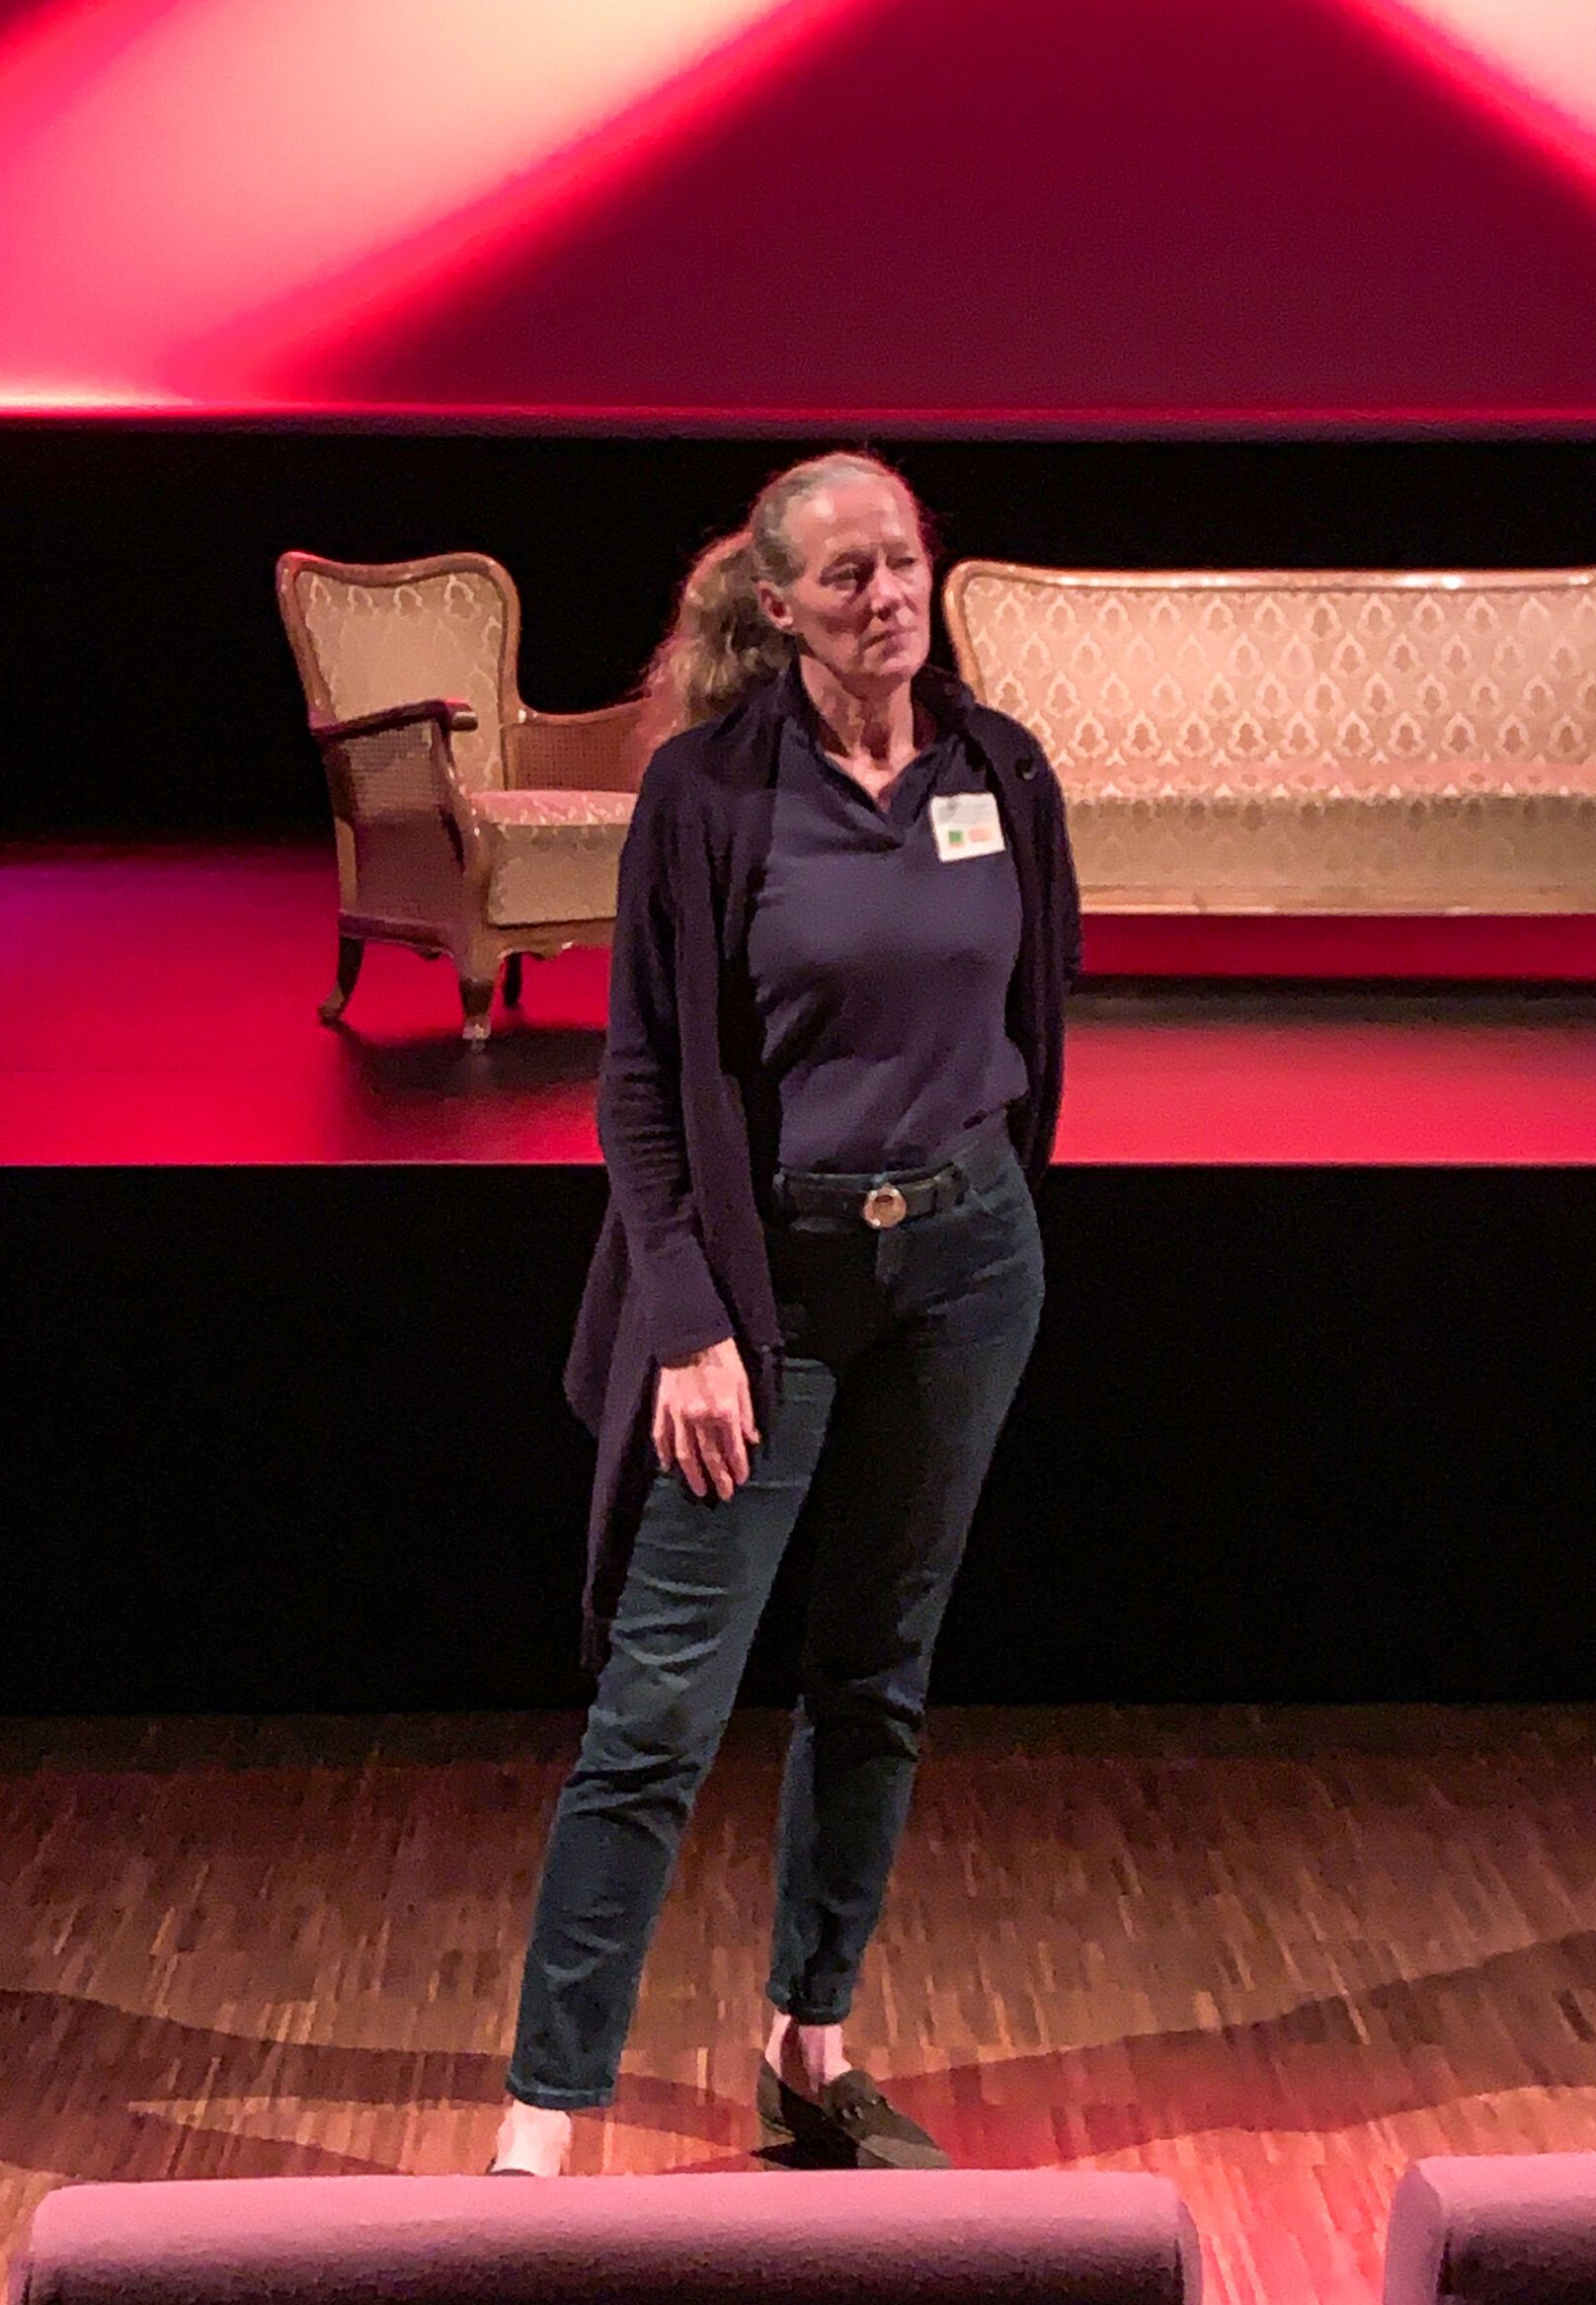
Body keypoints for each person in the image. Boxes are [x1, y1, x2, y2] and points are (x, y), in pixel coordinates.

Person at [490, 451, 1080, 2175]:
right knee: (659, 1713)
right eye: (847, 576)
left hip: (966, 1268)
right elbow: (641, 1085)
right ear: (779, 605)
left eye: (904, 563)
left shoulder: (1002, 770)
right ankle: (545, 2117)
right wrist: (690, 1324)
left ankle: (810, 2047)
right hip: (769, 1294)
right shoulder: (710, 793)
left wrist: (986, 1206)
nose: (887, 598)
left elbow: (1037, 1017)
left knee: (876, 1678)